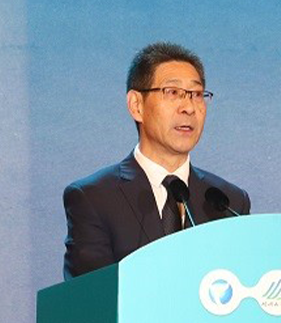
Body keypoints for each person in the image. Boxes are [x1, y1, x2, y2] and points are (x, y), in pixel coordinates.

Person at [62, 42, 250, 280]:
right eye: (172, 92)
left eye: (196, 94)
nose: (189, 107)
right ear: (136, 105)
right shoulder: (95, 198)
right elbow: (92, 295)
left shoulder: (228, 202)